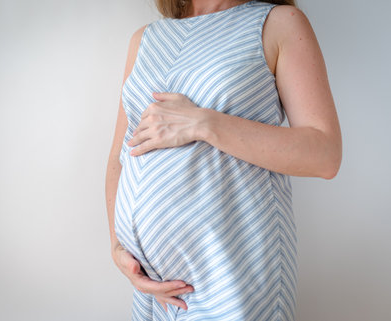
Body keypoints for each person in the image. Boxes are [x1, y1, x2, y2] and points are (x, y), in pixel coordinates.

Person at [105, 0, 342, 320]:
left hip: (235, 275)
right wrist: (119, 248)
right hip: (155, 292)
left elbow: (324, 154)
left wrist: (204, 124)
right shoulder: (145, 39)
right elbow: (121, 156)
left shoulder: (279, 24)